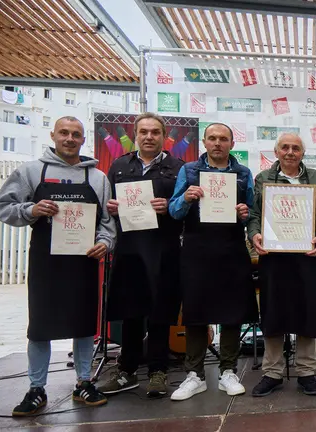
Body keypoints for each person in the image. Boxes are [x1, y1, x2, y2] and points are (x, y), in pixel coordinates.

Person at [0, 116, 115, 416]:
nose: (69, 139)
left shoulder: (98, 178)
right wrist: (30, 209)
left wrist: (106, 242)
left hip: (84, 262)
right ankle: (36, 388)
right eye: (64, 133)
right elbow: (3, 206)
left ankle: (84, 382)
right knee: (40, 326)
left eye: (76, 134)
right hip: (45, 263)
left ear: (83, 140)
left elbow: (106, 223)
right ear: (53, 134)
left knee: (84, 324)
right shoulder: (32, 171)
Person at [168, 123, 257, 400]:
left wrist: (245, 212)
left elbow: (253, 213)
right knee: (196, 311)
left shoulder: (243, 174)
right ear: (204, 142)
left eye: (223, 139)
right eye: (213, 138)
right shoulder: (189, 171)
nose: (218, 143)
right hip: (197, 249)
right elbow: (173, 211)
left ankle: (227, 371)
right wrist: (185, 198)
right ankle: (194, 374)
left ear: (232, 143)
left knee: (232, 311)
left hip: (231, 248)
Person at [98, 113, 184, 398]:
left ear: (164, 135)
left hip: (165, 249)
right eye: (144, 132)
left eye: (155, 132)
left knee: (161, 311)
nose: (149, 136)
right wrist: (111, 208)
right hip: (130, 248)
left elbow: (187, 212)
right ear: (135, 135)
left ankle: (158, 371)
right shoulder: (120, 165)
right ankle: (126, 369)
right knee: (131, 310)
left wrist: (170, 208)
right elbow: (107, 209)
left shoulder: (178, 168)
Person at [249, 133, 316, 397]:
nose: (290, 152)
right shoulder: (262, 179)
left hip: (306, 255)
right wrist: (255, 234)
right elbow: (255, 215)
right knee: (273, 311)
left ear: (303, 153)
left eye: (296, 148)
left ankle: (306, 371)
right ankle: (272, 372)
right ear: (276, 152)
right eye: (285, 147)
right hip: (274, 256)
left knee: (307, 309)